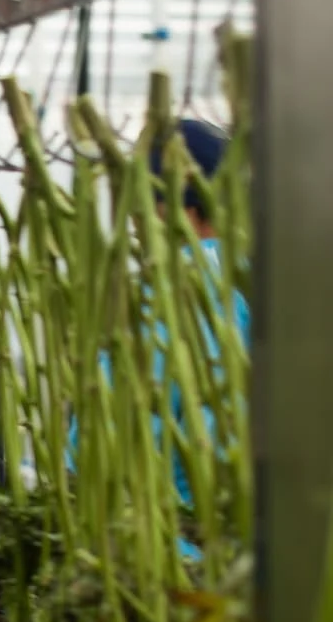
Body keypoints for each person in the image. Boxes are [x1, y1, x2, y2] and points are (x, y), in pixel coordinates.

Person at [67, 117, 250, 545]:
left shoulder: (169, 296)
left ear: (179, 208)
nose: (133, 219)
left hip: (178, 554)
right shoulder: (267, 281)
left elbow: (101, 450)